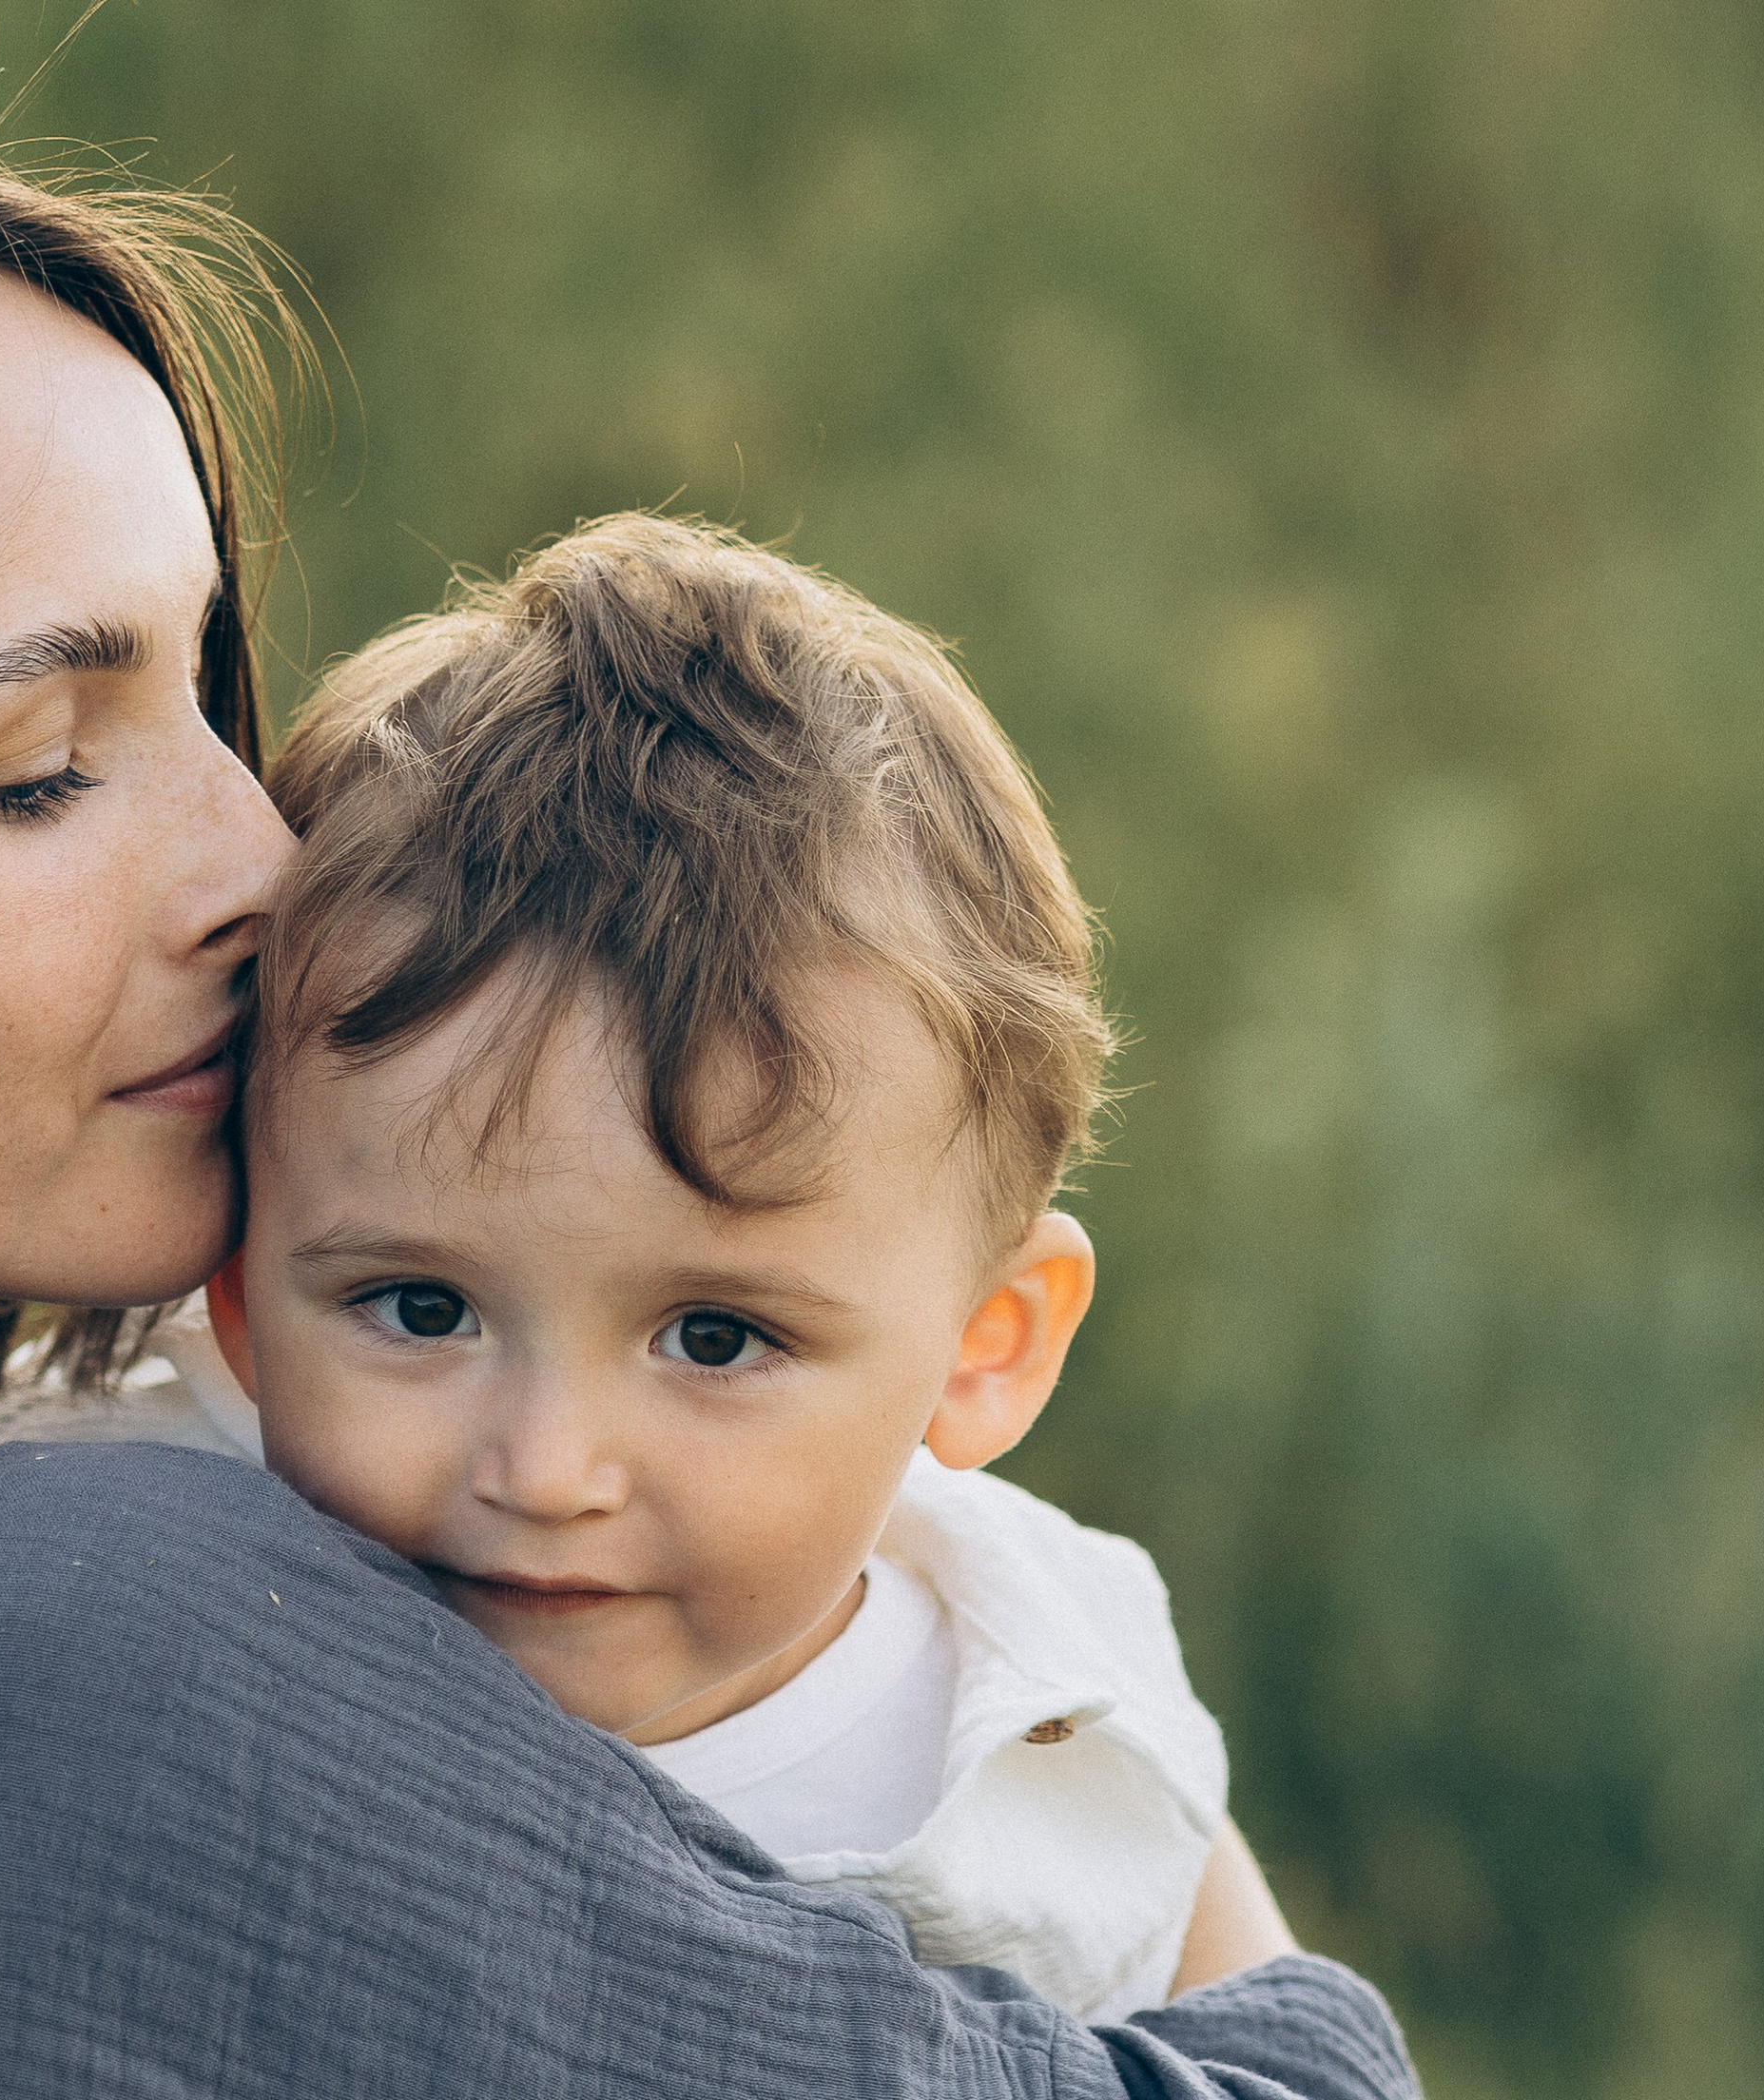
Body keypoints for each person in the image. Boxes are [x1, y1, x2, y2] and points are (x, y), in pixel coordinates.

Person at [0, 72, 1421, 2100]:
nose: (257, 866)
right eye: (35, 770)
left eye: (207, 698)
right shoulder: (84, 1663)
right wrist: (1094, 1727)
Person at [209, 515, 1252, 2018]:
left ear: (989, 1344)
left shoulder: (1054, 1731)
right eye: (421, 1310)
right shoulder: (132, 1526)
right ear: (238, 1301)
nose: (550, 1469)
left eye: (713, 1338)